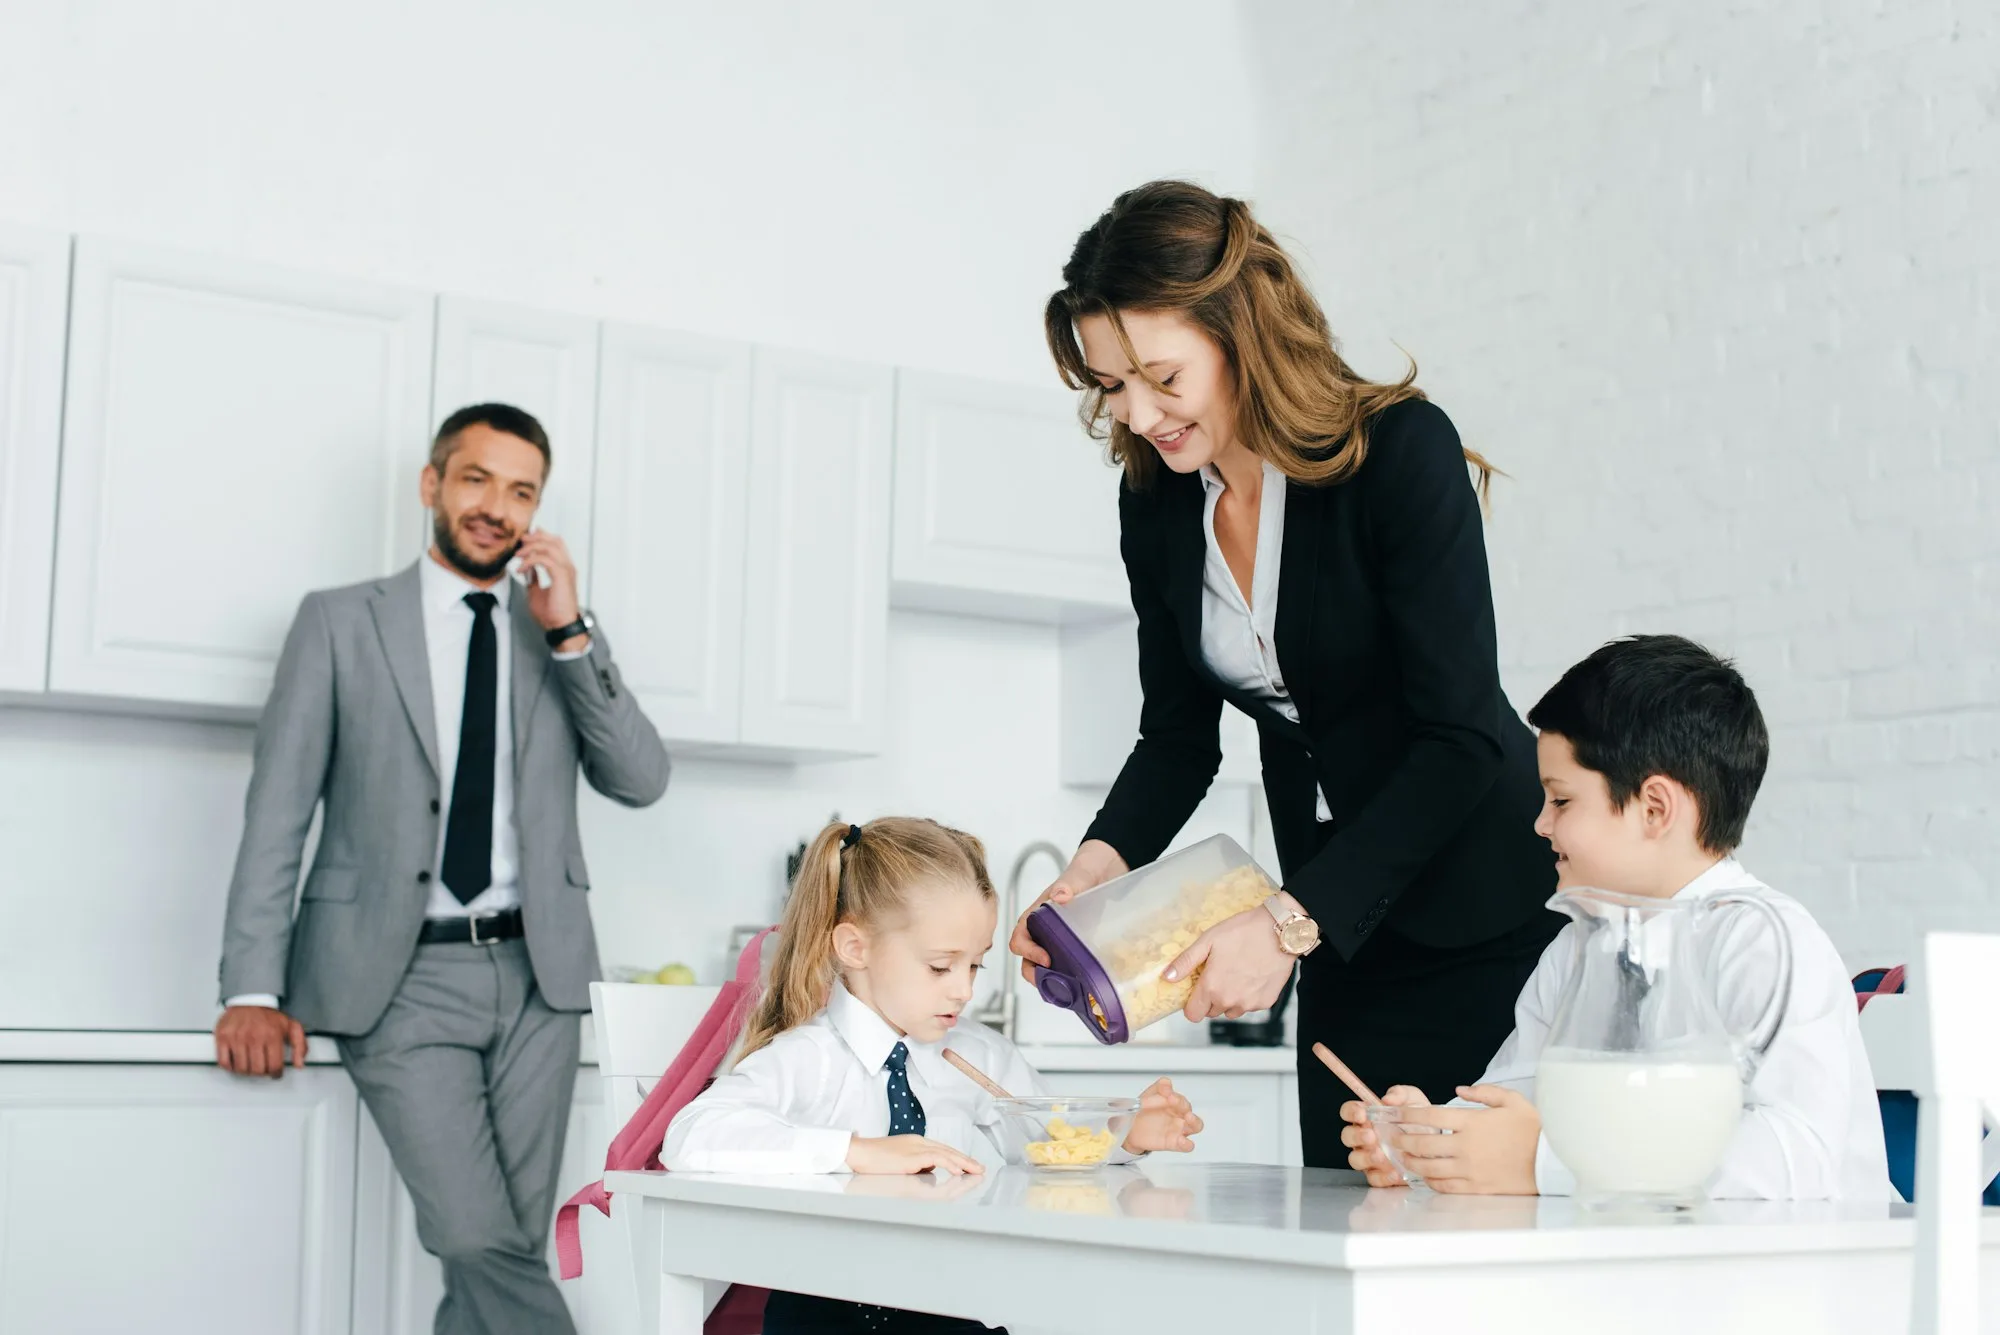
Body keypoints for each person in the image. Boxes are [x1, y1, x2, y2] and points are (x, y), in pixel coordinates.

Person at [1013, 180, 1560, 1168]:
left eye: (1159, 377)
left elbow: (1462, 734)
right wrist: (1089, 875)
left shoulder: (1396, 452)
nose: (1135, 415)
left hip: (1482, 913)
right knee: (1344, 1224)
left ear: (1238, 333)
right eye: (1109, 385)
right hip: (1340, 929)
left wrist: (1286, 919)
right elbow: (1175, 738)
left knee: (1473, 1237)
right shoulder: (1158, 503)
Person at [213, 404, 671, 1334]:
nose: (496, 506)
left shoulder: (558, 630)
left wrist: (573, 629)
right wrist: (251, 985)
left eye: (521, 490)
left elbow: (641, 778)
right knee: (473, 1238)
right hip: (398, 975)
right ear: (432, 485)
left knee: (502, 1250)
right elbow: (278, 811)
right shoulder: (341, 622)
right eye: (476, 479)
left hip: (537, 975)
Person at [1340, 635, 1893, 1200]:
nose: (1540, 824)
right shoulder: (1578, 947)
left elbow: (1793, 1159)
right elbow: (1518, 1095)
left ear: (1654, 808)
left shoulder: (1762, 940)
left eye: (1560, 800)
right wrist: (1426, 1139)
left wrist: (1543, 1165)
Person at [665, 817, 1204, 1335]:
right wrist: (858, 1151)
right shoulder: (807, 1057)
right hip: (820, 1316)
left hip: (952, 1308)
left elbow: (1046, 1141)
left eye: (974, 965)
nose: (964, 991)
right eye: (941, 967)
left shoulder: (983, 1055)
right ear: (855, 948)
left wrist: (1122, 1135)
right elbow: (692, 1136)